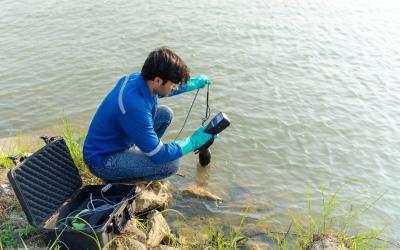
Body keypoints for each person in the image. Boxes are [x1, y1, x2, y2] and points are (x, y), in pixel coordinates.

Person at [83, 47, 216, 182]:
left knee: (165, 114)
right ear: (158, 80)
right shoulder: (134, 106)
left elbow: (164, 90)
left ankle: (143, 154)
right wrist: (193, 142)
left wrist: (192, 84)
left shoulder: (139, 79)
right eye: (174, 84)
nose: (175, 87)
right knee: (171, 164)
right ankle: (128, 178)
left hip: (119, 140)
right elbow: (160, 154)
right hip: (103, 160)